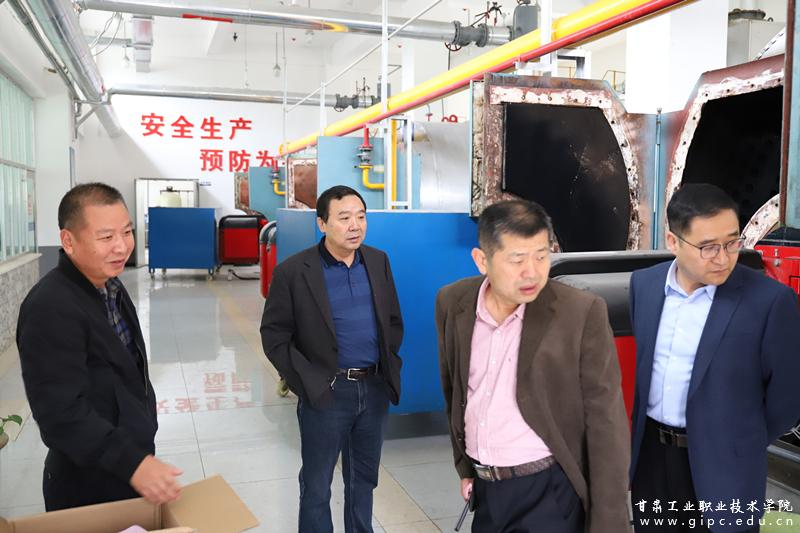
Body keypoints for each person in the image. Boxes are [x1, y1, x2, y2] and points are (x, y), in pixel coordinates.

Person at [435, 199, 631, 533]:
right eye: (517, 259)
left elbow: (606, 423)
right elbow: (454, 387)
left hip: (548, 490)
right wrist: (465, 467)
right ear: (481, 260)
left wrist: (609, 521)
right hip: (487, 490)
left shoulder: (579, 312)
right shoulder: (453, 302)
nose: (532, 272)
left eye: (541, 256)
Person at [629, 183, 800, 533]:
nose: (723, 258)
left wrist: (739, 437)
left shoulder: (769, 302)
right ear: (673, 241)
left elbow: (788, 399)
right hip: (653, 459)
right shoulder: (644, 286)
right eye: (708, 247)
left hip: (727, 465)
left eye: (732, 243)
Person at [16, 183, 182, 511]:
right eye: (106, 237)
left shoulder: (110, 287)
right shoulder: (50, 306)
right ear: (68, 241)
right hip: (87, 483)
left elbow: (126, 370)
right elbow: (59, 414)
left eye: (127, 232)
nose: (121, 246)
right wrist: (132, 463)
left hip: (126, 465)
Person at [260, 185, 403, 533]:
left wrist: (388, 365)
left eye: (361, 217)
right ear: (322, 224)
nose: (355, 226)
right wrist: (309, 383)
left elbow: (392, 321)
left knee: (364, 480)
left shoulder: (378, 261)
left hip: (373, 389)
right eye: (344, 218)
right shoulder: (294, 271)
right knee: (317, 485)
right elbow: (274, 336)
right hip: (327, 391)